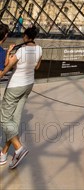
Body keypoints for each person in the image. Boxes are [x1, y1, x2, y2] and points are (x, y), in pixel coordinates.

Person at [0, 26, 42, 169]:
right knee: (14, 120)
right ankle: (4, 154)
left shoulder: (21, 50)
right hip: (28, 85)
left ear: (25, 36)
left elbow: (8, 67)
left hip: (15, 86)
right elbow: (36, 67)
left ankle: (19, 148)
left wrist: (9, 56)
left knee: (4, 119)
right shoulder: (39, 49)